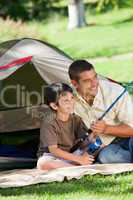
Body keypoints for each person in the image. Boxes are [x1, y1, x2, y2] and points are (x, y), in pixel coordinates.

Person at [68, 60, 133, 163]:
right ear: (75, 84)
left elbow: (131, 128)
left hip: (129, 137)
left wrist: (106, 129)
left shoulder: (115, 91)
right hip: (105, 146)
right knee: (106, 158)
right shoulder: (67, 99)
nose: (94, 84)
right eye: (87, 81)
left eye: (95, 77)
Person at [37, 82, 94, 170]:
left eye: (72, 98)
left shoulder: (76, 119)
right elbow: (54, 150)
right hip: (52, 156)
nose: (71, 103)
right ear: (54, 106)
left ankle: (77, 166)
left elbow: (85, 141)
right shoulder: (49, 123)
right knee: (43, 164)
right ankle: (78, 167)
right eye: (66, 100)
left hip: (72, 154)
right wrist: (80, 159)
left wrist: (94, 134)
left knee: (96, 146)